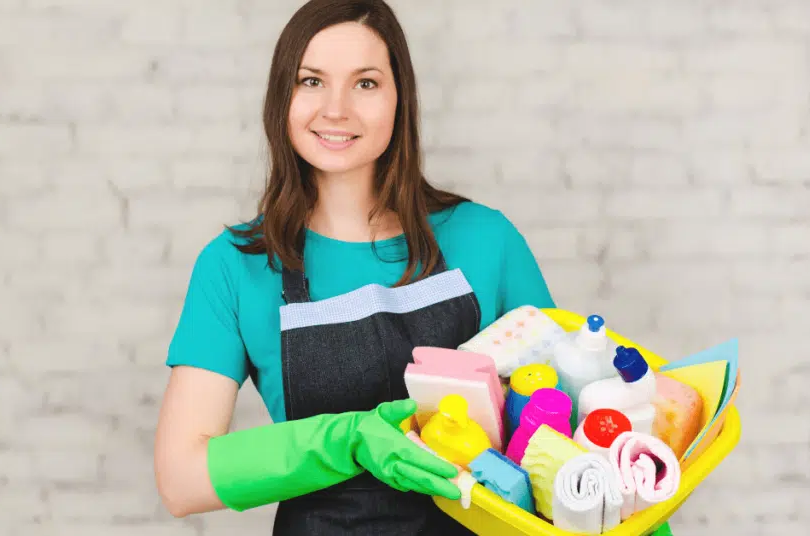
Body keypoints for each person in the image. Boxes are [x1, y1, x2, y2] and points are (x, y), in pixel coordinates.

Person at [154, 0, 556, 534]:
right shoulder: (236, 268)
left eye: (365, 83)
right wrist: (351, 439)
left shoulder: (485, 238)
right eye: (311, 81)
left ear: (399, 98)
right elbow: (181, 479)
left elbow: (559, 416)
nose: (336, 109)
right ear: (282, 99)